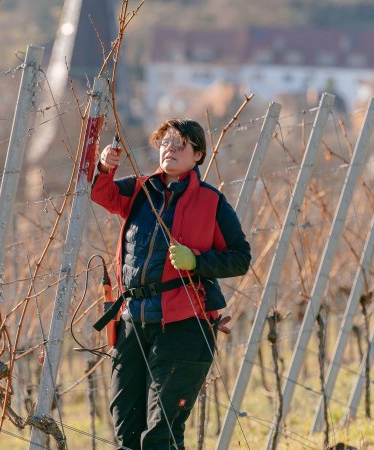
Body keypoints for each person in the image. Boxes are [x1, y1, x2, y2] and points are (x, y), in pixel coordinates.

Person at [90, 118, 251, 450]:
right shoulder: (141, 190)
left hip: (184, 325)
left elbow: (240, 258)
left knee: (160, 434)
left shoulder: (211, 202)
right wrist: (105, 166)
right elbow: (101, 193)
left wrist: (197, 261)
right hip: (132, 322)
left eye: (180, 144)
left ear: (198, 154)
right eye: (165, 142)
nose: (170, 149)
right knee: (126, 429)